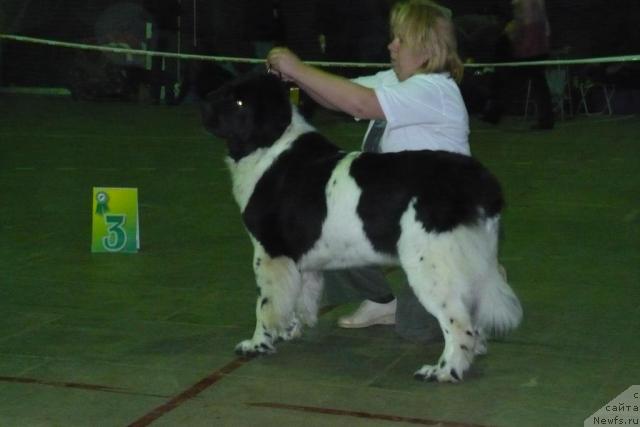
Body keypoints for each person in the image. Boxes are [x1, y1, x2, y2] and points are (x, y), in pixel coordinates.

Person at [266, 0, 470, 342]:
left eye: (400, 40)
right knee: (330, 225)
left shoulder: (433, 89)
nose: (391, 46)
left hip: (440, 222)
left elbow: (361, 103)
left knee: (418, 330)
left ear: (425, 48)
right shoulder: (396, 80)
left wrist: (297, 68)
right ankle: (381, 301)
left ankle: (475, 278)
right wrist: (293, 76)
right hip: (400, 214)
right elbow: (340, 98)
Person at [482, 0, 554, 129]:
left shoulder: (524, 5)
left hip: (530, 51)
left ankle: (494, 114)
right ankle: (546, 120)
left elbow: (525, 24)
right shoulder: (536, 5)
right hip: (538, 49)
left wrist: (518, 47)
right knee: (538, 85)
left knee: (512, 82)